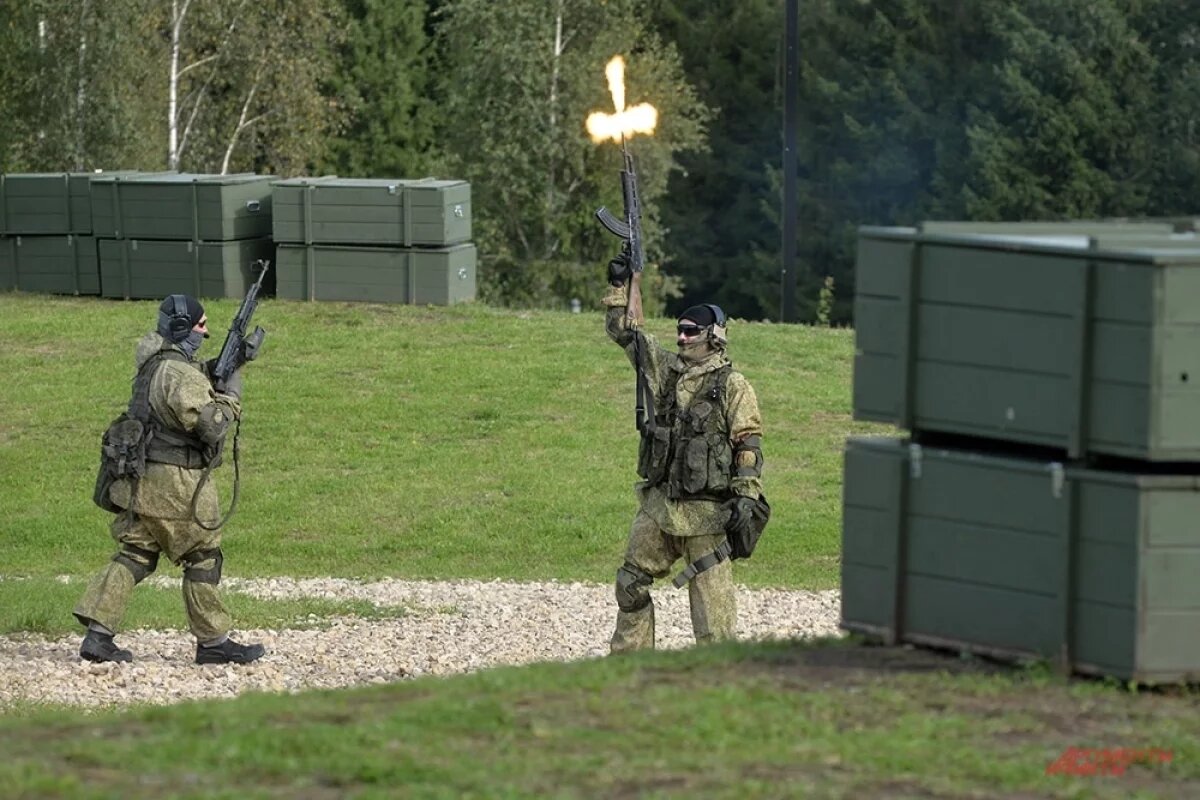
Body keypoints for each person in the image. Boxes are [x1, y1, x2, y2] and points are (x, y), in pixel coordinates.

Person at [74, 294, 265, 665]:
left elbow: (186, 386)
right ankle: (213, 642)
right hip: (173, 482)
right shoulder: (177, 373)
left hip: (141, 480)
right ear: (182, 329)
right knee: (203, 556)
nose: (205, 332)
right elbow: (211, 426)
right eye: (200, 325)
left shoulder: (159, 364)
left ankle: (98, 636)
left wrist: (231, 362)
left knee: (137, 553)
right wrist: (231, 398)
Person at [601, 252, 765, 653]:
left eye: (691, 332)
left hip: (708, 515)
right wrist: (622, 285)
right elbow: (626, 334)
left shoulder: (733, 385)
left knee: (714, 623)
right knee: (630, 585)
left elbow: (748, 443)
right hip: (661, 506)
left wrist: (746, 496)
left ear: (714, 336)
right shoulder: (666, 370)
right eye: (680, 330)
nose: (681, 337)